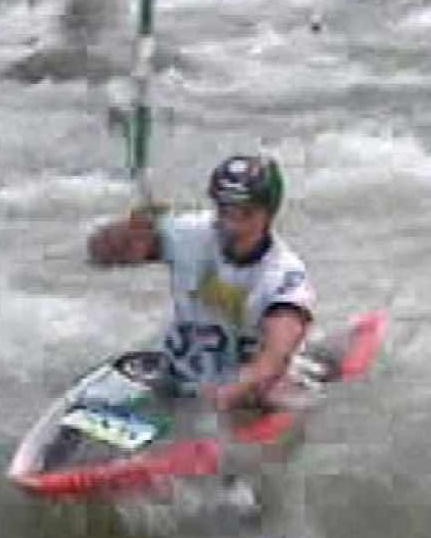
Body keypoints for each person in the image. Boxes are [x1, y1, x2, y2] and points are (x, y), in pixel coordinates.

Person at [87, 153, 316, 412]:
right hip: (179, 376)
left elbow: (275, 356)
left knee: (266, 401)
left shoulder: (284, 276)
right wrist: (130, 231)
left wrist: (232, 393)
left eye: (244, 212)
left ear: (268, 213)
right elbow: (99, 255)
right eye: (223, 208)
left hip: (244, 389)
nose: (230, 222)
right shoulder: (189, 233)